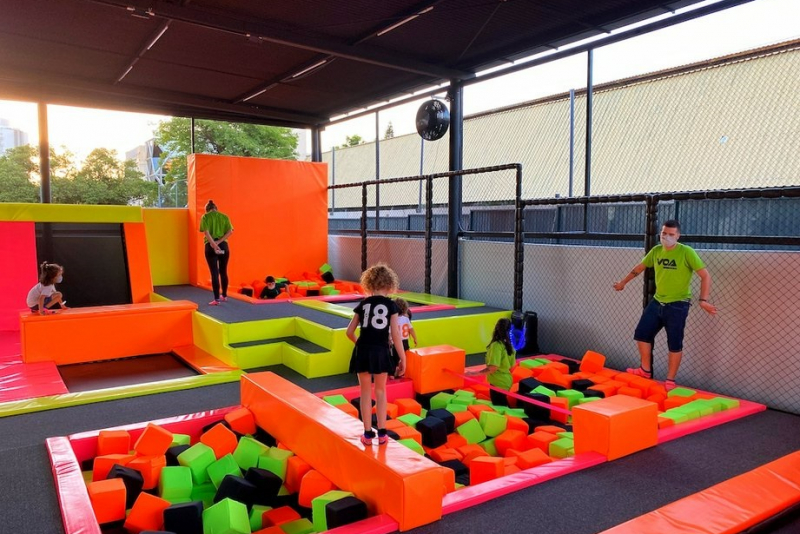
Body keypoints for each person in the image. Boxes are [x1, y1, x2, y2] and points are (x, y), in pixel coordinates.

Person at [613, 219, 717, 390]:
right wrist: (623, 282)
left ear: (678, 236)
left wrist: (703, 300)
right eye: (664, 233)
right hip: (658, 301)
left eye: (671, 234)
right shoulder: (656, 251)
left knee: (674, 342)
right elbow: (640, 267)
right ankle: (645, 370)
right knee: (641, 334)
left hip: (678, 304)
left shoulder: (686, 252)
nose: (666, 237)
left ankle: (670, 380)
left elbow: (705, 275)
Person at [346, 263, 407, 446]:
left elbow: (349, 332)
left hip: (363, 351)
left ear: (369, 284)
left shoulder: (363, 304)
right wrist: (402, 358)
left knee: (365, 393)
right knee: (381, 391)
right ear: (390, 285)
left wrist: (361, 345)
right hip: (381, 351)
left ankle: (367, 434)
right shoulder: (391, 305)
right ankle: (382, 433)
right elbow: (396, 335)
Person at [468, 318, 516, 406]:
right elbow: (512, 367)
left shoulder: (496, 346)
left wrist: (473, 374)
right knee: (502, 405)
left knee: (501, 408)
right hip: (506, 382)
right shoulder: (510, 345)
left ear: (496, 328)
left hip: (498, 383)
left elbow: (493, 367)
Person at [199, 199, 234, 306]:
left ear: (207, 209)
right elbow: (230, 231)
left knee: (214, 272)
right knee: (223, 271)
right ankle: (224, 295)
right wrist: (219, 242)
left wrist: (214, 244)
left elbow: (206, 232)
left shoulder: (205, 217)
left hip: (210, 246)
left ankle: (216, 299)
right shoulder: (224, 217)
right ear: (216, 208)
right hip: (223, 245)